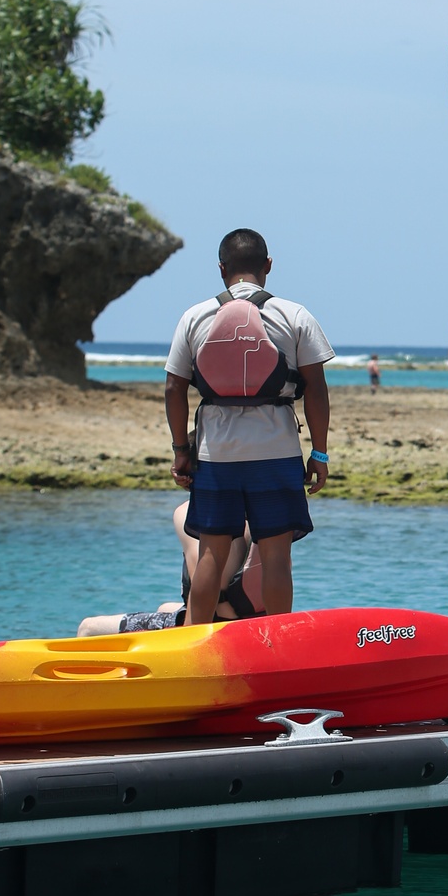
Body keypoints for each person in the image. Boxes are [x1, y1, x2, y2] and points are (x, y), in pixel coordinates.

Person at [165, 228, 333, 624]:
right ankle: (276, 646)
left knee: (211, 552)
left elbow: (174, 388)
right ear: (268, 266)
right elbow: (316, 389)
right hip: (276, 452)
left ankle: (198, 645)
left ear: (221, 269)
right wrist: (319, 453)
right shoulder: (294, 314)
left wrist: (181, 451)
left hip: (215, 453)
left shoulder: (195, 316)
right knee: (276, 556)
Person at [77, 502, 265, 636]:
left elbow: (201, 587)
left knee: (88, 628)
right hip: (256, 622)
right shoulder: (264, 511)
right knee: (164, 608)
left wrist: (186, 646)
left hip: (218, 626)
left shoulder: (190, 513)